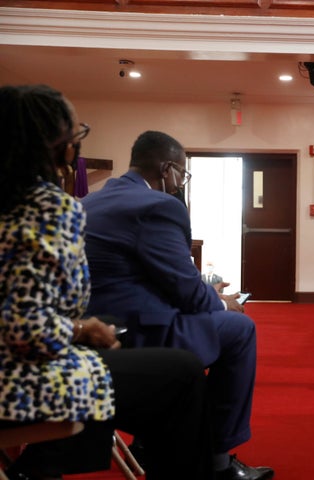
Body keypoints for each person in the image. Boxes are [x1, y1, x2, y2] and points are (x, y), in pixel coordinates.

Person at [0, 84, 213, 479]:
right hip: (15, 383)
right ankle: (41, 464)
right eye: (74, 133)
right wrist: (83, 328)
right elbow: (26, 329)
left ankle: (43, 464)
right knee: (182, 374)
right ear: (57, 145)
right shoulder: (47, 205)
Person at [81, 131, 273, 480]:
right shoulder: (158, 205)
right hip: (136, 332)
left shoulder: (90, 200)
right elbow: (185, 288)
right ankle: (219, 462)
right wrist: (222, 302)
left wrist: (206, 291)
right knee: (240, 329)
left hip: (91, 327)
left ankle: (150, 438)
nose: (180, 182)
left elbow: (144, 274)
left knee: (205, 311)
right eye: (182, 174)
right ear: (167, 168)